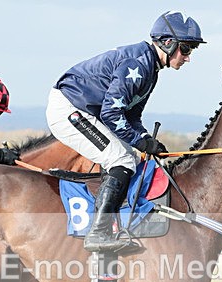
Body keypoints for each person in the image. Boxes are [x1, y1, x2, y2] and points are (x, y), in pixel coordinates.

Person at [46, 11, 205, 252]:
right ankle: (98, 233)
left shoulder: (150, 70)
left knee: (128, 159)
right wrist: (140, 143)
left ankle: (111, 223)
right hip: (69, 109)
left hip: (84, 110)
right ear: (168, 43)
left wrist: (145, 139)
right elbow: (111, 114)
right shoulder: (138, 66)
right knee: (120, 159)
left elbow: (131, 116)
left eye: (191, 50)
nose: (188, 57)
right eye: (186, 49)